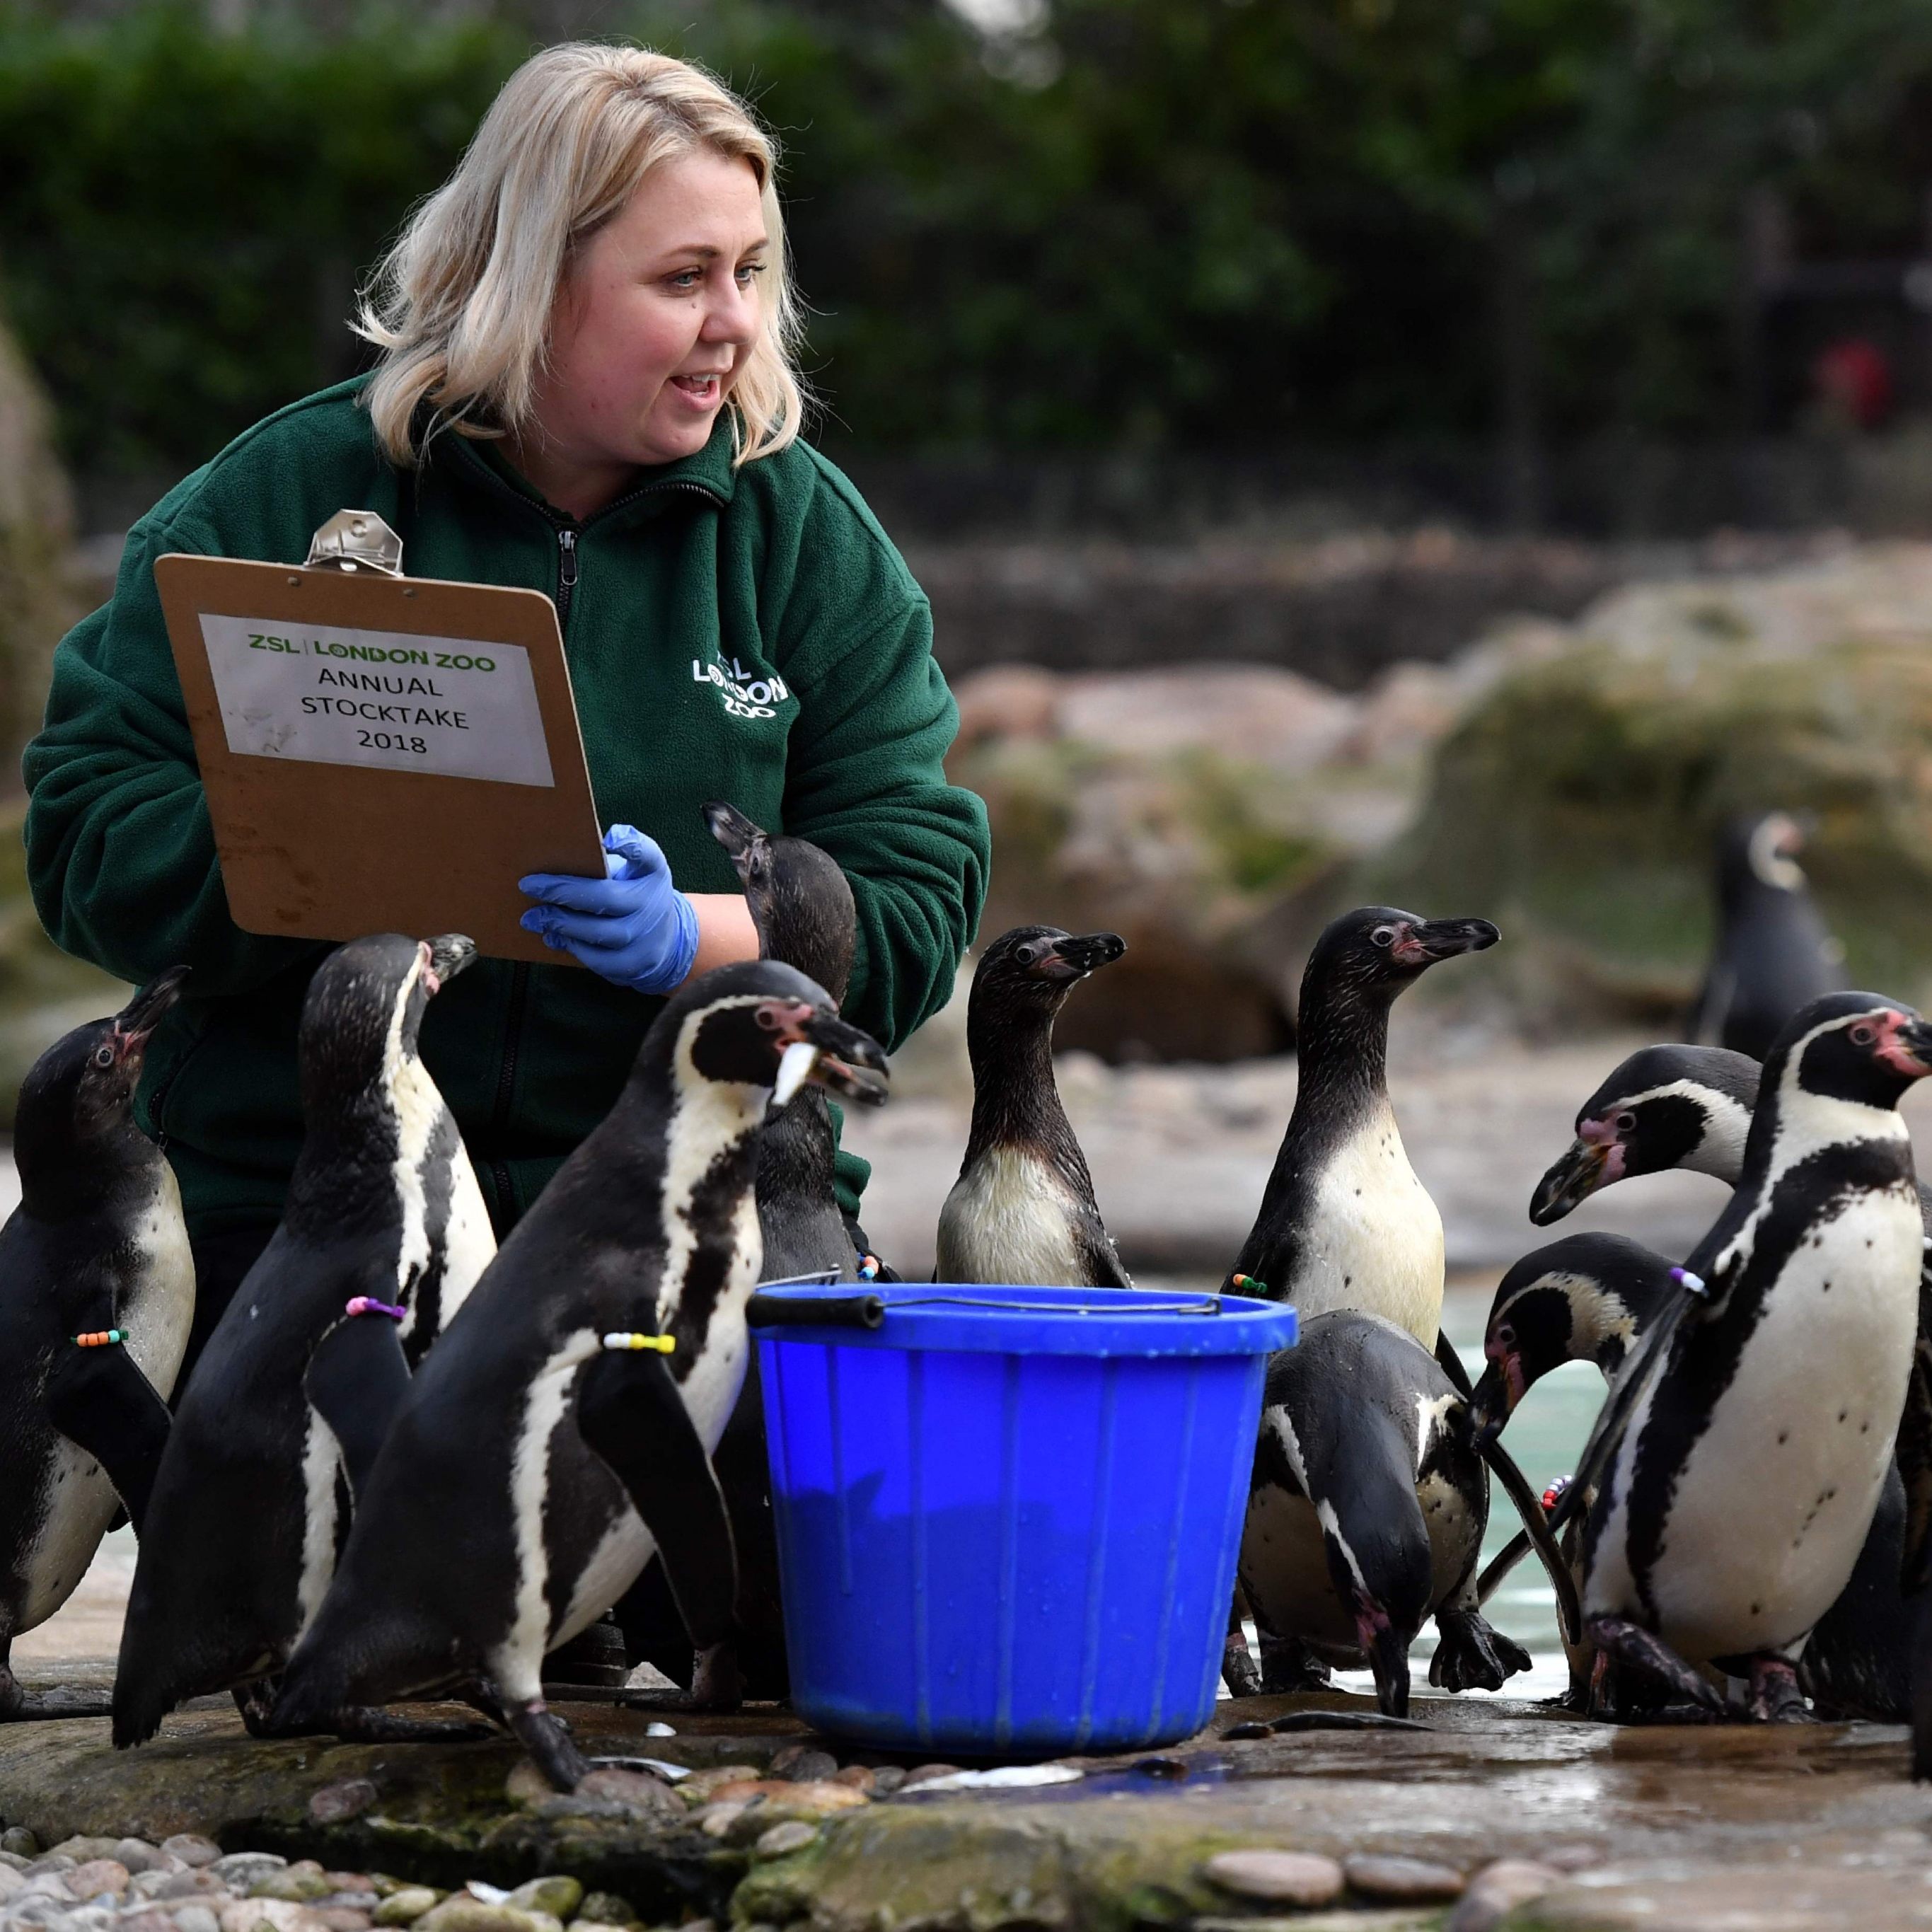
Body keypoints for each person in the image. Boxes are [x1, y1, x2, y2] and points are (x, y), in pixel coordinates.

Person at [22, 42, 990, 1375]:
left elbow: (920, 897)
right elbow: (83, 839)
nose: (738, 325)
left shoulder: (802, 539)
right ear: (529, 282)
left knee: (781, 1561)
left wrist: (699, 938)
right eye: (682, 279)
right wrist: (317, 845)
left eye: (751, 272)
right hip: (304, 1214)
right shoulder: (272, 500)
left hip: (691, 1211)